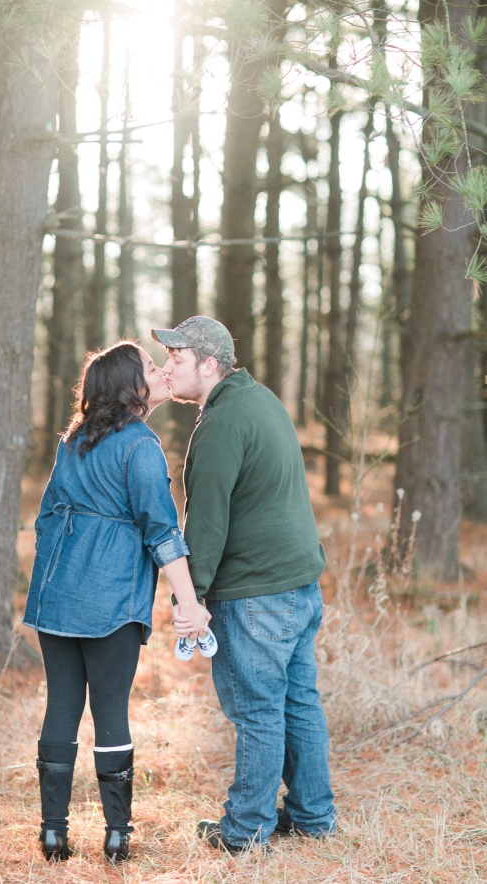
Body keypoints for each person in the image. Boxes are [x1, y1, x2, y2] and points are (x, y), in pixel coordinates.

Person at [151, 316, 336, 853]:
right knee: (298, 702)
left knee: (258, 711)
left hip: (257, 595)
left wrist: (194, 598)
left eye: (177, 360)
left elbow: (205, 524)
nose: (167, 369)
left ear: (209, 366)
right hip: (299, 587)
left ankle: (247, 830)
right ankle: (313, 816)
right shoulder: (260, 401)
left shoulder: (223, 422)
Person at [23, 342, 209, 864]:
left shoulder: (71, 442)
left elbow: (45, 519)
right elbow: (163, 532)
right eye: (151, 367)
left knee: (61, 706)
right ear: (132, 386)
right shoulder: (141, 446)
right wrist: (188, 602)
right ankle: (116, 835)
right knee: (110, 712)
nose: (160, 371)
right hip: (111, 599)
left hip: (57, 592)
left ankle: (53, 834)